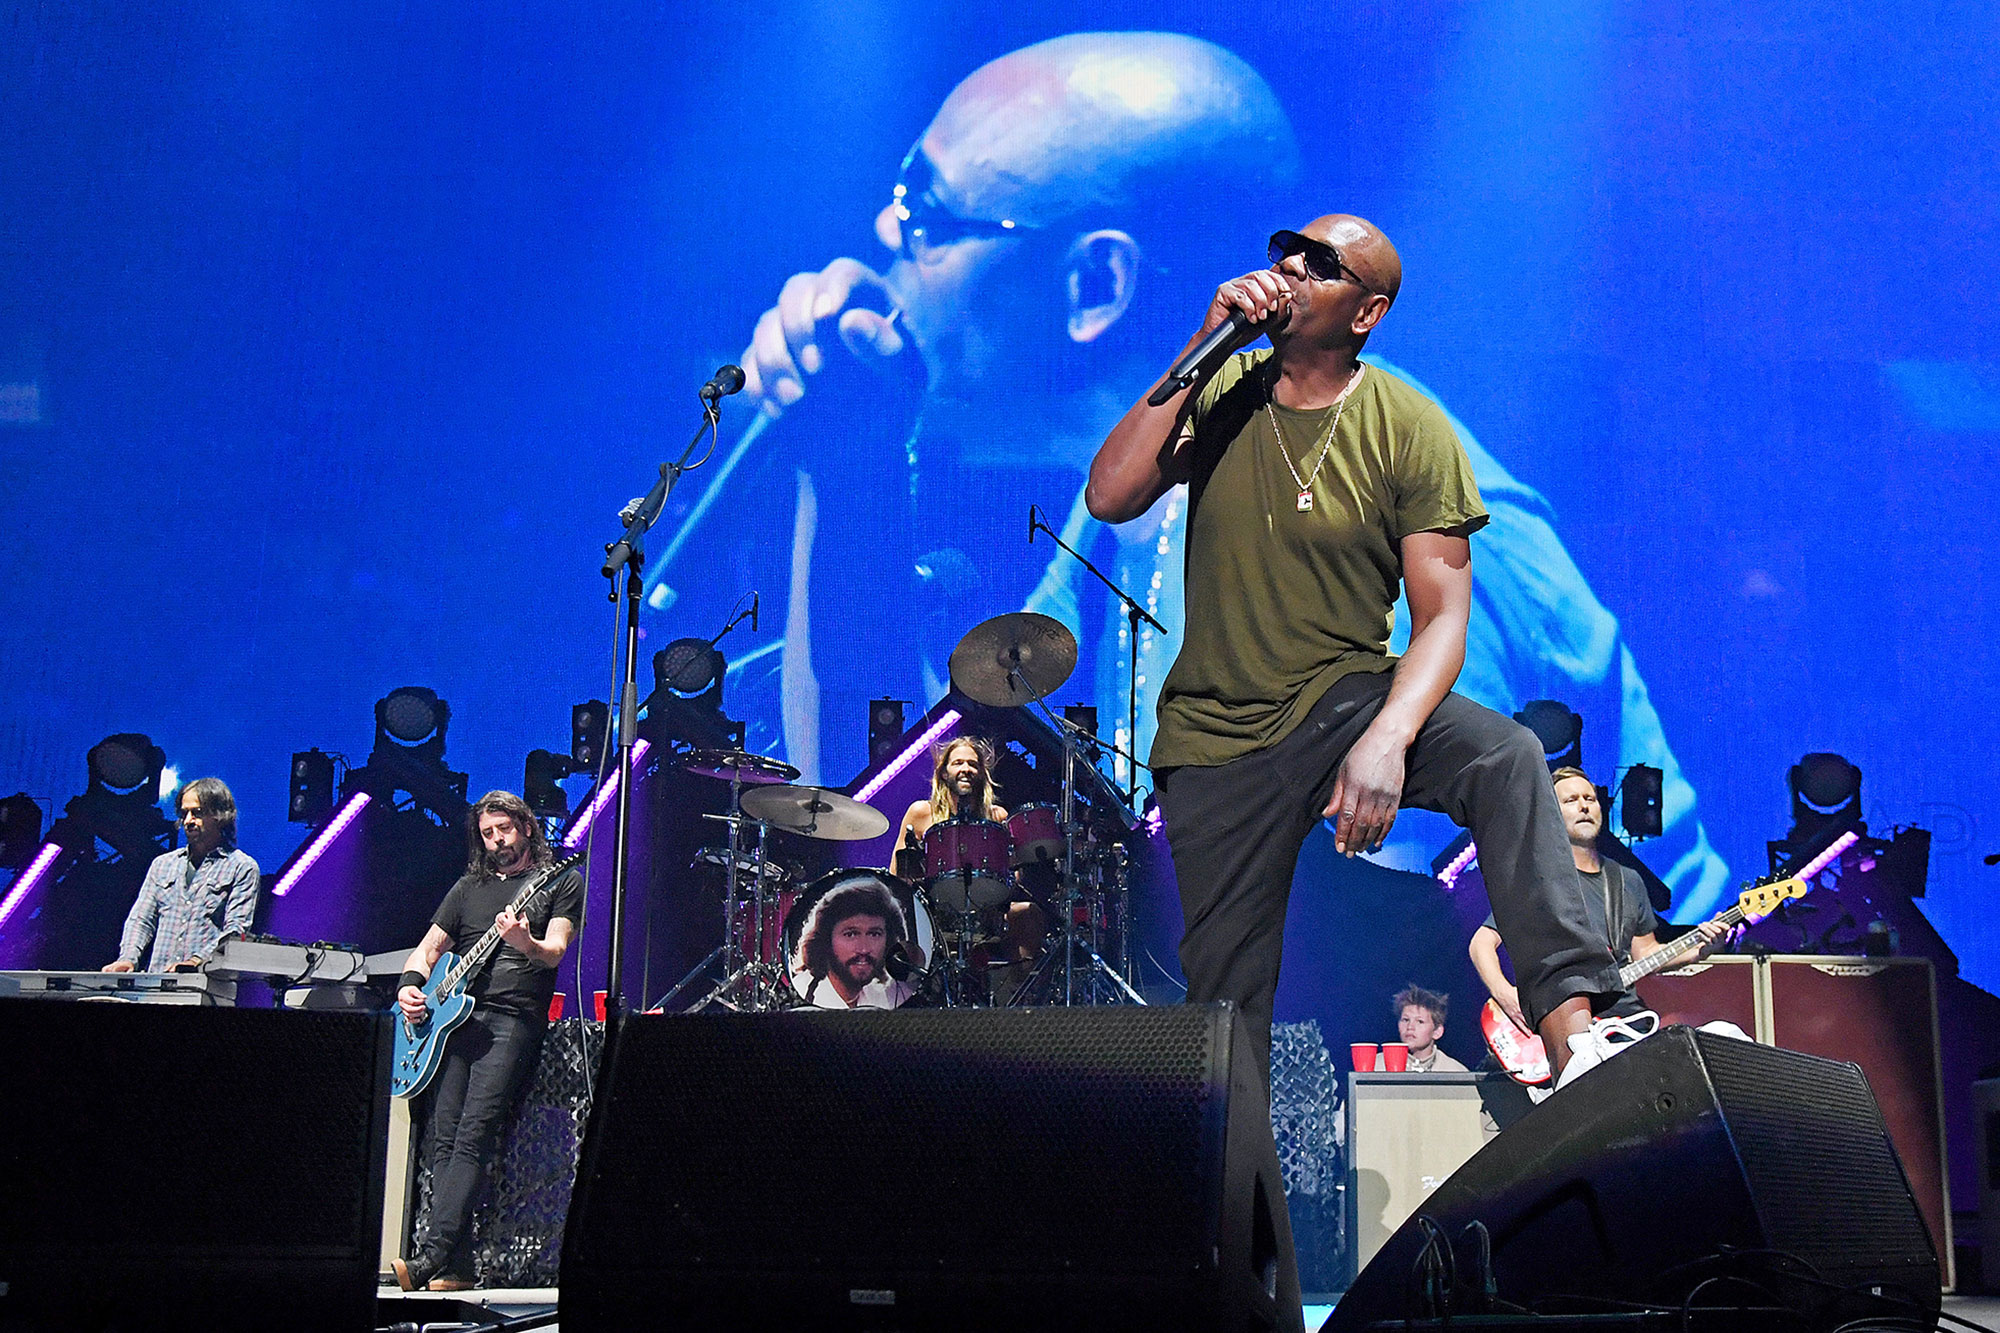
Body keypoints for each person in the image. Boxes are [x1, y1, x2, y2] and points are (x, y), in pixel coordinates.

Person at [685, 31, 1728, 913]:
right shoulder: (1134, 501)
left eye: (926, 211)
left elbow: (1387, 937)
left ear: (1093, 284)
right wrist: (851, 474)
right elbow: (901, 819)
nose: (879, 240)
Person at [1087, 213, 1628, 1087]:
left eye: (1320, 264)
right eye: (1283, 254)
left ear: (1365, 313)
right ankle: (1232, 1203)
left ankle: (1574, 1041)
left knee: (1505, 755)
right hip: (1216, 737)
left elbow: (1444, 616)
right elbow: (1110, 493)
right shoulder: (1224, 393)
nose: (1290, 268)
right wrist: (1203, 341)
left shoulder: (1407, 422)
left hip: (1344, 698)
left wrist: (1388, 739)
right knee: (1225, 1017)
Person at [390, 791, 584, 1293]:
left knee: (475, 1132)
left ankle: (430, 1255)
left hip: (513, 1019)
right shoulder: (467, 888)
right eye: (487, 833)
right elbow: (430, 947)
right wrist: (410, 986)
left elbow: (555, 951)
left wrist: (524, 942)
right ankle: (456, 1267)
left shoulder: (559, 880)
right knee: (444, 1138)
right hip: (456, 1024)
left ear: (525, 826)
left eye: (505, 830)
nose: (497, 841)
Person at [1471, 766, 1728, 1033]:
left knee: (1722, 1033)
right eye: (1571, 800)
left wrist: (1700, 950)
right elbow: (1482, 943)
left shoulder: (1627, 881)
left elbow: (1646, 954)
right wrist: (1506, 996)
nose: (1584, 806)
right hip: (1568, 1024)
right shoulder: (1538, 881)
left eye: (1589, 799)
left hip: (1626, 1022)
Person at [893, 735, 1042, 996]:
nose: (965, 769)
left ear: (982, 773)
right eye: (958, 763)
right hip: (933, 911)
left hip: (987, 912)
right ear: (944, 772)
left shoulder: (997, 816)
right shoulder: (921, 813)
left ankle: (1020, 999)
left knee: (1030, 913)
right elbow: (896, 871)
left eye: (972, 764)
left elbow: (1012, 873)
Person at [103, 777, 258, 973]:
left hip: (208, 988)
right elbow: (141, 919)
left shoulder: (242, 867)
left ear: (220, 816)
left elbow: (236, 931)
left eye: (197, 813)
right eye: (184, 813)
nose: (188, 821)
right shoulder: (163, 865)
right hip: (156, 984)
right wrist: (127, 958)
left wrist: (196, 961)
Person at [789, 873, 915, 1010]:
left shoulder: (885, 994)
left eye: (874, 934)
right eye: (851, 934)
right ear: (825, 940)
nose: (864, 949)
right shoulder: (803, 997)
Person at [1393, 984, 1467, 1073]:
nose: (1410, 1027)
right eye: (1405, 1020)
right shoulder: (1377, 1067)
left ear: (1437, 1032)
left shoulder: (1455, 1072)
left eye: (1420, 1021)